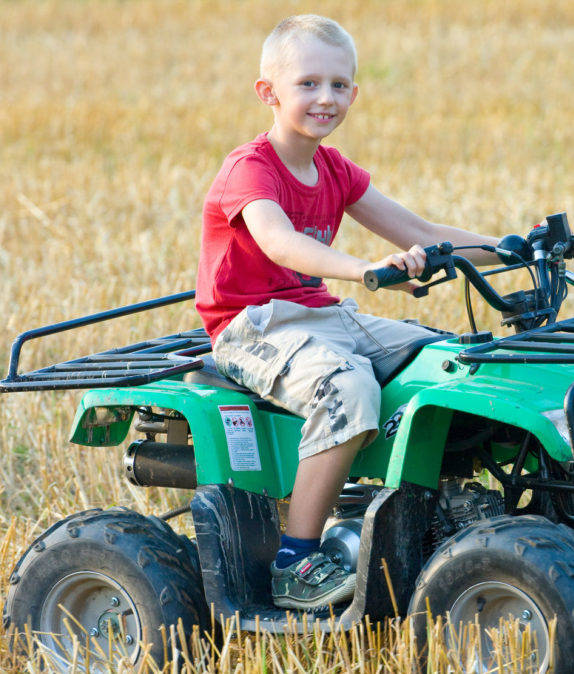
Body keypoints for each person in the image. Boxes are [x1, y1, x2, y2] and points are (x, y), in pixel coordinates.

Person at [195, 14, 499, 611]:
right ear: (268, 92)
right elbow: (280, 243)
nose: (325, 98)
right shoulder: (250, 168)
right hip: (251, 326)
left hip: (319, 315)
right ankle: (295, 560)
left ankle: (442, 511)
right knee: (348, 386)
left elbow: (419, 231)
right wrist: (363, 269)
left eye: (338, 85)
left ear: (354, 93)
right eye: (308, 83)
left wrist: (514, 247)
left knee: (443, 362)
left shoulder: (334, 169)